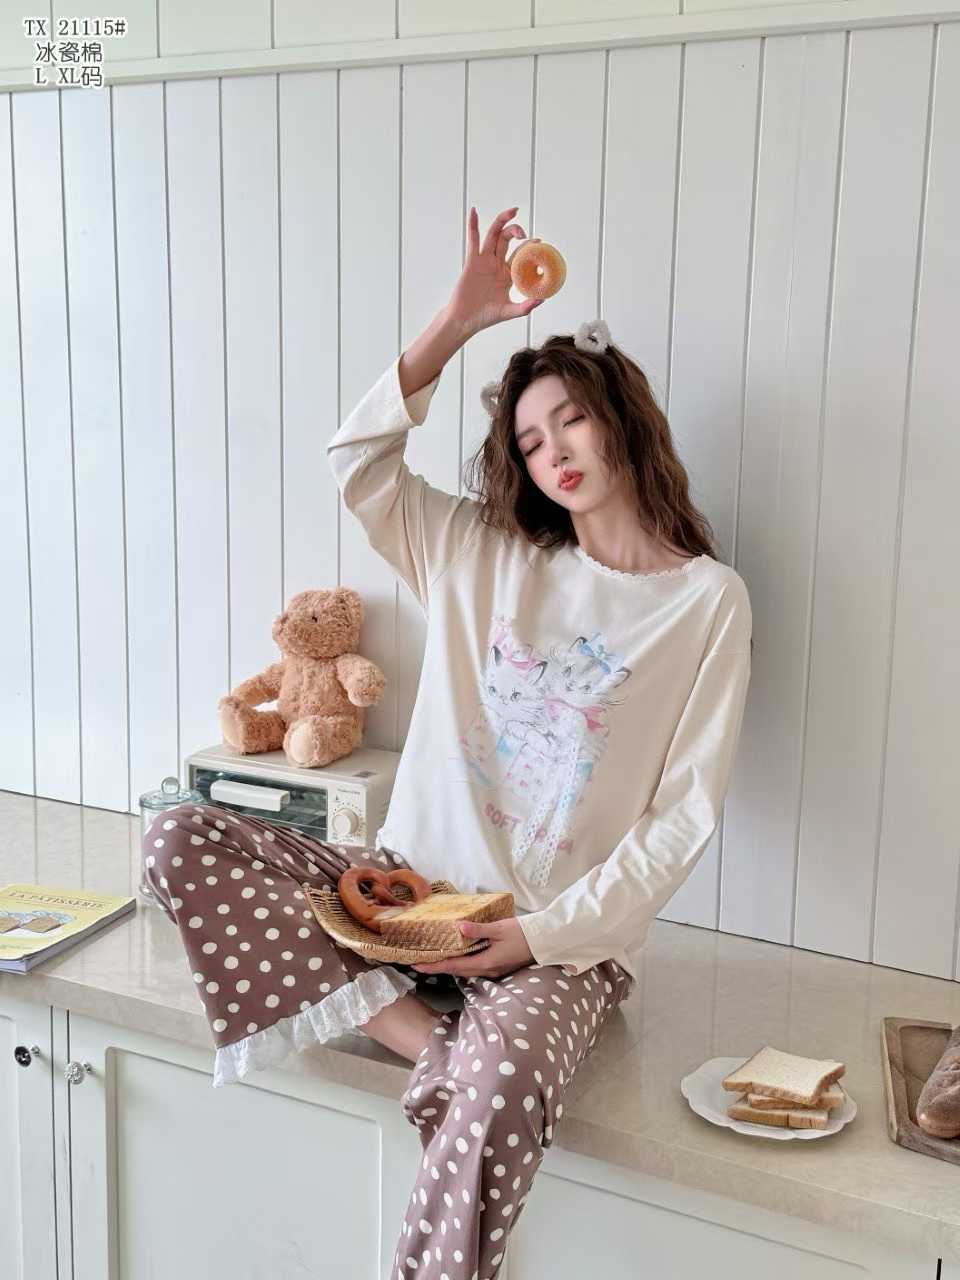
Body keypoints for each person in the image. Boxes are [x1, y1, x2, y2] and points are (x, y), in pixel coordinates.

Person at [144, 204, 752, 1280]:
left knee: (506, 1080)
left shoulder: (707, 602)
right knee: (180, 838)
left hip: (552, 937)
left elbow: (681, 818)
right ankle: (432, 1048)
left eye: (569, 420)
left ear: (620, 416)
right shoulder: (481, 550)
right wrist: (458, 322)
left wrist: (539, 935)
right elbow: (358, 460)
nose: (553, 452)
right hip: (400, 896)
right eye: (529, 441)